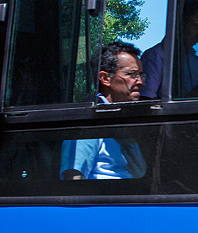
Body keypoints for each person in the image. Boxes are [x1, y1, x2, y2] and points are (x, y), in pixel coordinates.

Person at [60, 41, 146, 180]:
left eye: (141, 75)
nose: (141, 82)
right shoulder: (88, 120)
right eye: (132, 75)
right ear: (105, 79)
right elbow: (73, 178)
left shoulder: (121, 119)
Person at [140, 0, 198, 99]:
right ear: (180, 23)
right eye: (196, 28)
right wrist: (195, 93)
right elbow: (147, 100)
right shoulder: (155, 56)